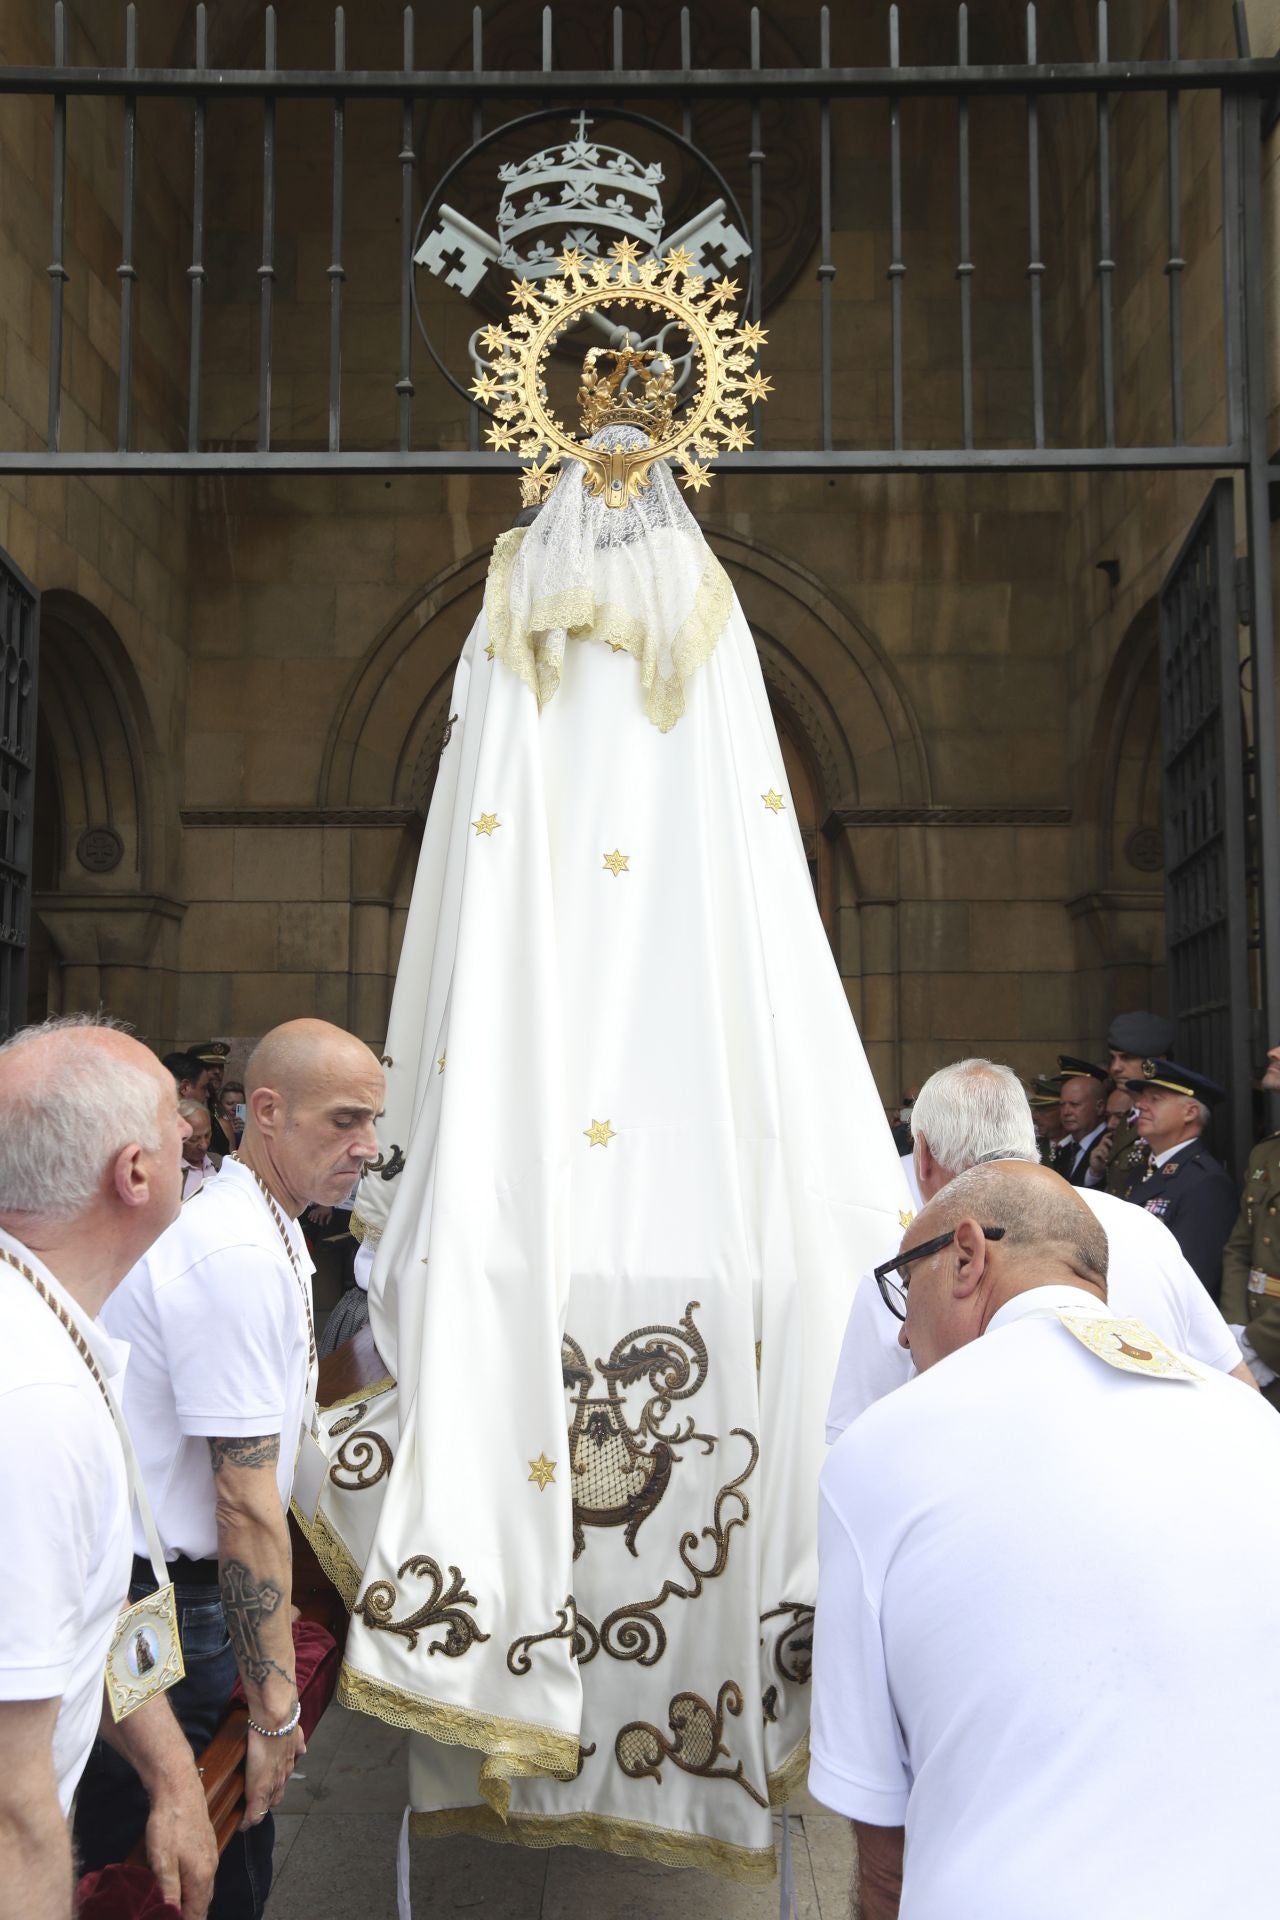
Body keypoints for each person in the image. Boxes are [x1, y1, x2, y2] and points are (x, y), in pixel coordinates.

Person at [299, 407, 910, 1882]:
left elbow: (473, 885)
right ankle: (716, 1744)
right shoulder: (711, 628)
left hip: (532, 1096)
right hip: (706, 1136)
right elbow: (749, 875)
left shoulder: (512, 617)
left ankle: (503, 1670)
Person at [811, 1161, 1280, 1920]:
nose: (900, 1327)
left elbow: (884, 1861)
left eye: (905, 1280)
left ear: (968, 1255)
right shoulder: (1257, 1425)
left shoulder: (880, 1451)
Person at [75, 1019, 384, 1920]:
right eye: (345, 1121)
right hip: (170, 1612)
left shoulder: (263, 1220)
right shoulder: (238, 1249)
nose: (367, 1148)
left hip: (188, 1601)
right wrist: (276, 1709)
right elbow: (243, 1504)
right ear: (268, 1111)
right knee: (190, 1872)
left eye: (374, 1122)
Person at [0, 1016, 216, 1920]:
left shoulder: (48, 1331)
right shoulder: (32, 1396)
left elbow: (88, 1612)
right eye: (177, 1122)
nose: (194, 1133)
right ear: (133, 1173)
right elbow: (13, 1808)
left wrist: (172, 1779)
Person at [826, 1058, 1252, 1438]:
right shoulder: (1143, 1227)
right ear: (1030, 1142)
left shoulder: (909, 1264)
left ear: (923, 1156)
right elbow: (1236, 1387)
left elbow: (857, 1445)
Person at [1124, 1058, 1238, 1299]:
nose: (1141, 1105)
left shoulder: (1206, 1182)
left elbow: (1194, 1276)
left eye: (1155, 1099)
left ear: (1190, 1112)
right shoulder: (1142, 1169)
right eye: (1142, 1098)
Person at [1219, 1041, 1280, 1405]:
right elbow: (1240, 1248)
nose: (1272, 1052)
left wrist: (1260, 1344)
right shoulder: (1266, 1151)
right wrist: (1237, 1329)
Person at [1101, 1010, 1173, 1197]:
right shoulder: (1127, 1119)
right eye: (1113, 1058)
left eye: (1127, 1058)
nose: (1115, 1067)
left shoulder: (1167, 1118)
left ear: (1155, 1063)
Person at [1050, 1054, 1110, 1184]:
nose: (1066, 1112)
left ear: (1099, 1107)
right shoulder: (1065, 1149)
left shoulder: (1109, 1145)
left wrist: (1094, 1174)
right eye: (1062, 1105)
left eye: (1074, 1105)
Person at [1083, 1080, 1134, 1186]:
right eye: (1108, 1116)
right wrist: (1096, 1172)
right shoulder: (1106, 1145)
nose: (1110, 1124)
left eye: (1119, 1116)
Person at [188, 1043, 232, 1155]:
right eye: (209, 1066)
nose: (217, 1072)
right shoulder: (184, 1111)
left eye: (220, 1067)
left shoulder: (220, 1109)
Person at [179, 1098, 218, 1201]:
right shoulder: (169, 1173)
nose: (204, 1145)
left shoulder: (220, 1163)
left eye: (207, 1135)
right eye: (194, 1139)